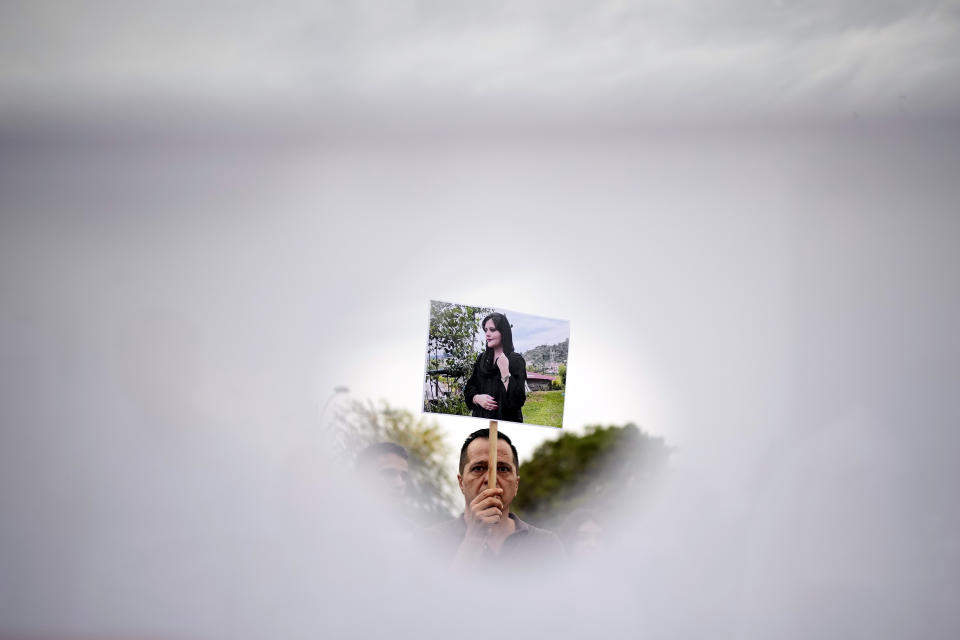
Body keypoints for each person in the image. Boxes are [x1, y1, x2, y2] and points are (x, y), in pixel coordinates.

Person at [426, 428, 564, 568]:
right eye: (478, 468)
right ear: (461, 483)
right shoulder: (430, 541)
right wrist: (474, 539)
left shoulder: (546, 545)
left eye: (503, 469)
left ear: (516, 484)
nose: (490, 479)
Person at [463, 312, 527, 423]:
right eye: (486, 330)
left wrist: (505, 371)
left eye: (492, 330)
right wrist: (476, 398)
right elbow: (469, 388)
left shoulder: (515, 360)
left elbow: (518, 399)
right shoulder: (482, 359)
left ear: (503, 333)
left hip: (505, 421)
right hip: (480, 420)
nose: (487, 334)